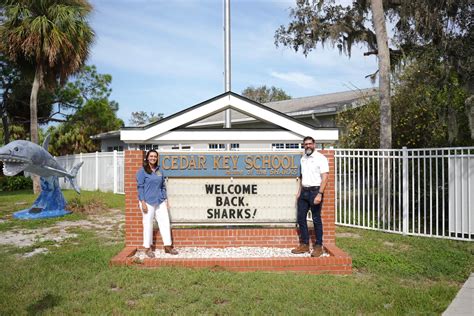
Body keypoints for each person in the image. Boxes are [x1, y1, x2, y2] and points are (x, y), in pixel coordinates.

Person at [292, 136, 329, 257]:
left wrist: (320, 194)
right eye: (305, 144)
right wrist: (299, 192)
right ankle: (305, 245)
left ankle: (319, 246)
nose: (308, 146)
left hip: (315, 191)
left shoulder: (321, 158)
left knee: (316, 219)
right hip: (304, 191)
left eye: (310, 144)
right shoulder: (303, 158)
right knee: (301, 218)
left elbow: (325, 177)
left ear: (314, 144)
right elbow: (303, 176)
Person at [136, 149, 177, 257]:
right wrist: (143, 202)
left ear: (157, 158)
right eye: (151, 156)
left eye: (155, 156)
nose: (153, 158)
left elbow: (163, 187)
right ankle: (147, 247)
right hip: (147, 201)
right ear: (147, 157)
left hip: (160, 201)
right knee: (148, 224)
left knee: (165, 222)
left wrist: (166, 200)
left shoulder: (160, 171)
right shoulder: (142, 171)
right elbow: (140, 187)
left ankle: (168, 246)